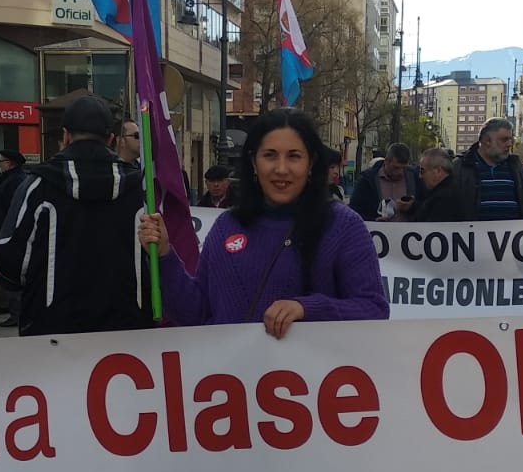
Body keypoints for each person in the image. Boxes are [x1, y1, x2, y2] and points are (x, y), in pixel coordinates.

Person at [138, 108, 388, 335]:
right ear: (253, 163)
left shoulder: (343, 226)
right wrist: (164, 257)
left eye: (293, 156)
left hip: (306, 384)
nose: (281, 169)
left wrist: (307, 308)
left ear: (310, 163)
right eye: (269, 155)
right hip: (229, 382)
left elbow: (373, 310)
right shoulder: (226, 226)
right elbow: (197, 315)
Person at [0, 95, 150, 336]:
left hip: (52, 328)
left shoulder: (37, 186)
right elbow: (160, 257)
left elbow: (9, 256)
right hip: (126, 328)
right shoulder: (140, 190)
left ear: (66, 136)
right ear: (111, 139)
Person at [0, 149, 28, 327]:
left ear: (10, 163)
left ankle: (16, 313)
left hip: (8, 237)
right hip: (0, 235)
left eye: (1, 161)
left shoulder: (16, 181)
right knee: (3, 274)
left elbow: (12, 210)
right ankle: (6, 305)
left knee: (11, 277)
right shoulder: (3, 180)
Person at [455, 117, 523, 220]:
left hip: (514, 234)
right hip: (473, 234)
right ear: (487, 141)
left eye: (510, 139)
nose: (509, 144)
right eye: (504, 140)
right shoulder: (461, 167)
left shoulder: (516, 168)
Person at [349, 143, 419, 221]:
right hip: (377, 231)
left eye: (404, 168)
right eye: (396, 168)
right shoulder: (367, 180)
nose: (400, 172)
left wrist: (411, 207)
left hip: (409, 231)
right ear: (386, 161)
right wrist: (374, 220)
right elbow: (354, 211)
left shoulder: (414, 177)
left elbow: (424, 206)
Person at [411, 147, 472, 222]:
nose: (420, 176)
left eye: (422, 171)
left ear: (438, 170)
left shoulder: (445, 196)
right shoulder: (449, 189)